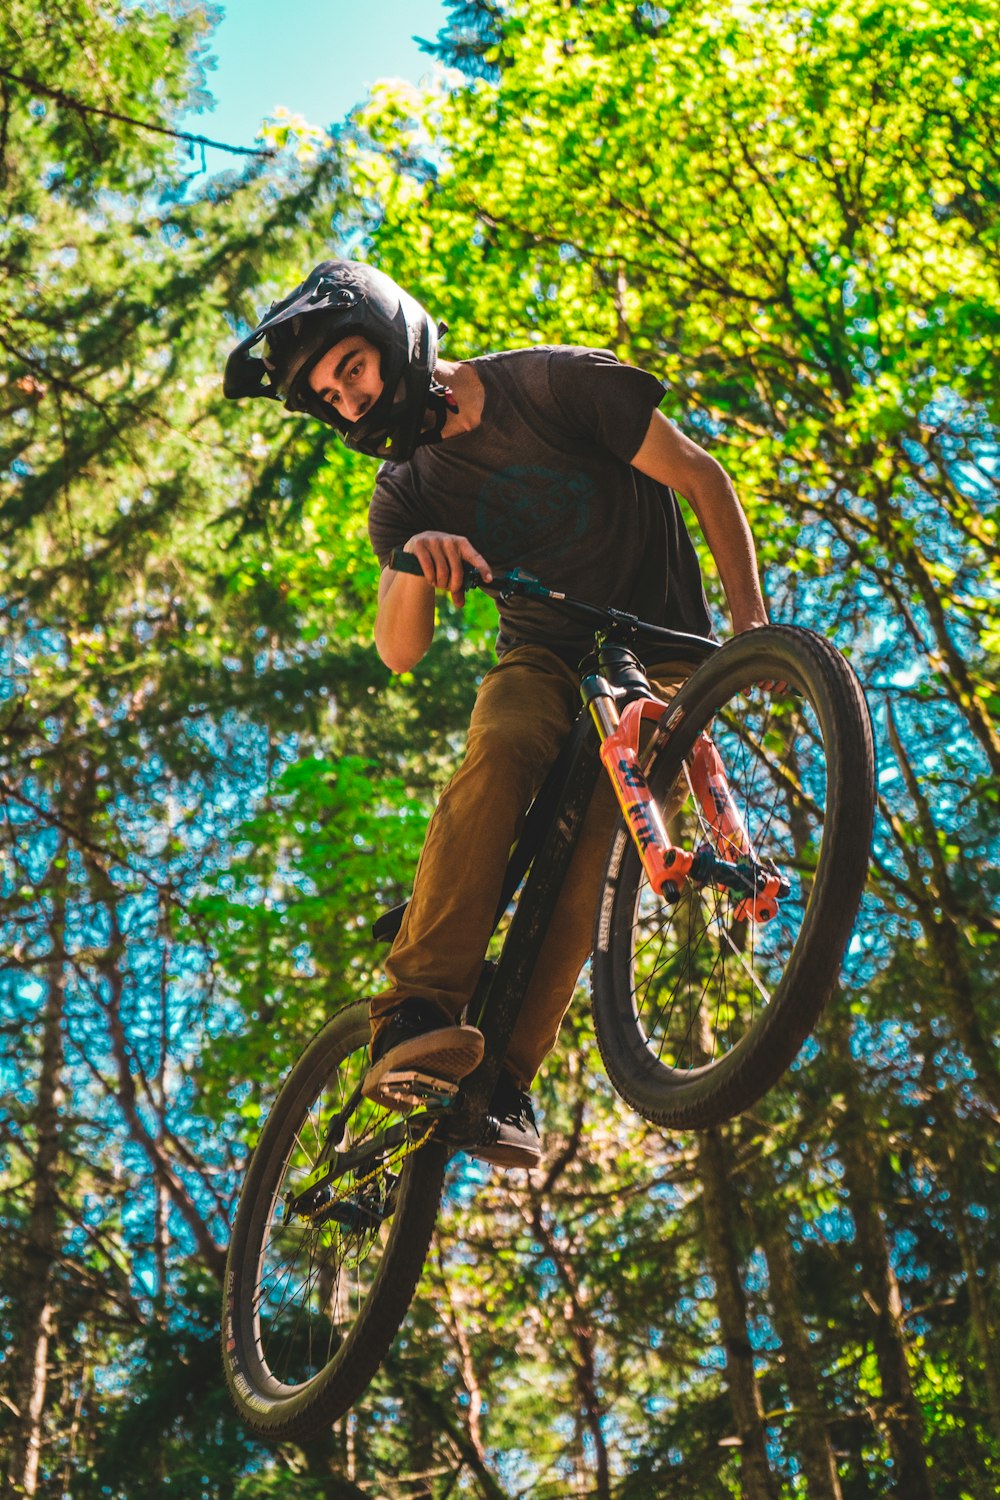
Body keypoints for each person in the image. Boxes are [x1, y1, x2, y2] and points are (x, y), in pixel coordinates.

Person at [225, 259, 770, 1168]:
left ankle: (500, 1079)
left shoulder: (555, 384)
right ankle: (416, 1010)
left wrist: (756, 635)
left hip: (663, 647)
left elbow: (702, 479)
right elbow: (399, 651)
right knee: (507, 739)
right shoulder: (406, 494)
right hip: (546, 656)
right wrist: (411, 562)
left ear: (394, 335)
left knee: (599, 842)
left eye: (351, 369)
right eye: (329, 397)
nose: (349, 403)